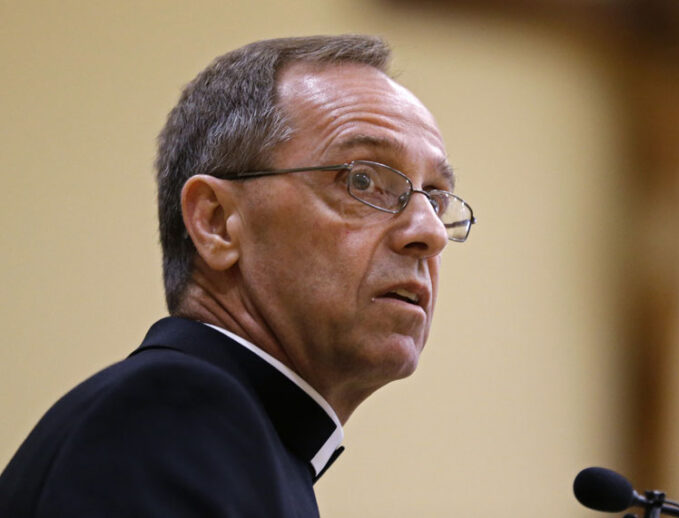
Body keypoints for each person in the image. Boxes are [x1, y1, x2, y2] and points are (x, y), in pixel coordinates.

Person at [0, 35, 476, 517]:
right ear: (217, 222)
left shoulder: (248, 441)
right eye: (361, 181)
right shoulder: (167, 415)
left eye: (435, 198)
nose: (429, 233)